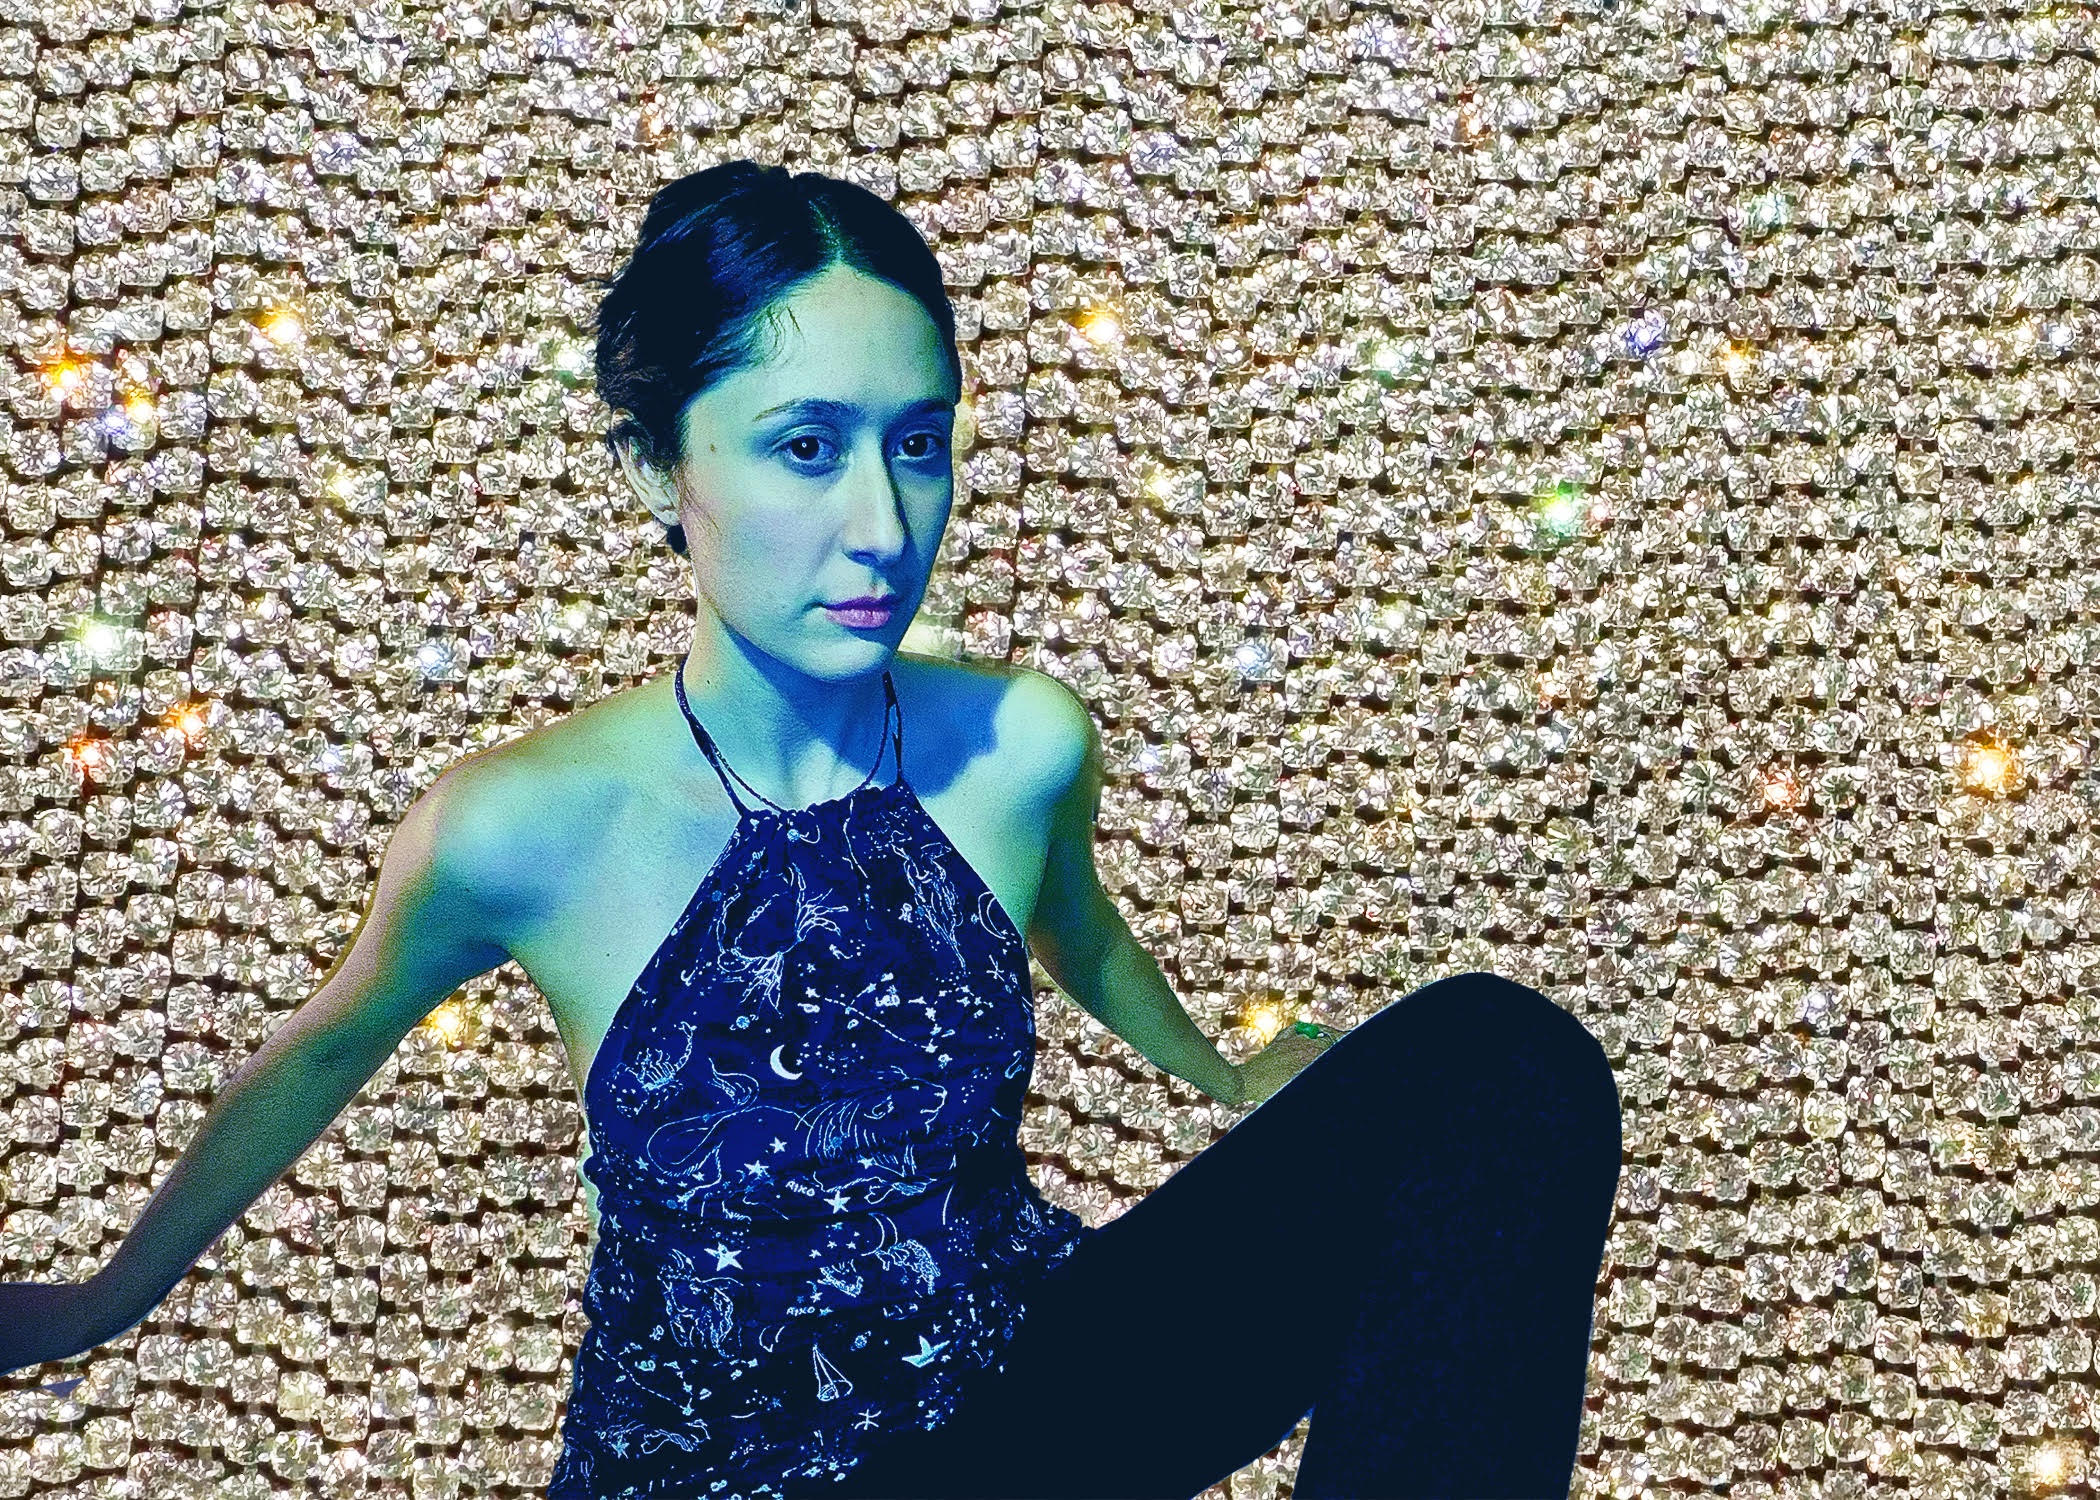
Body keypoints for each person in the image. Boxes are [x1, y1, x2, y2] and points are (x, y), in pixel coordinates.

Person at [0, 161, 1624, 1500]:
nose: (882, 525)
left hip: (1028, 1396)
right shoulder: (521, 824)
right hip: (722, 1474)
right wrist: (106, 1296)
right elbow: (323, 1050)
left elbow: (1079, 931)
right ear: (659, 469)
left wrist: (1227, 1074)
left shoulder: (1020, 743)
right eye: (805, 446)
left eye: (918, 445)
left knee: (1503, 1062)